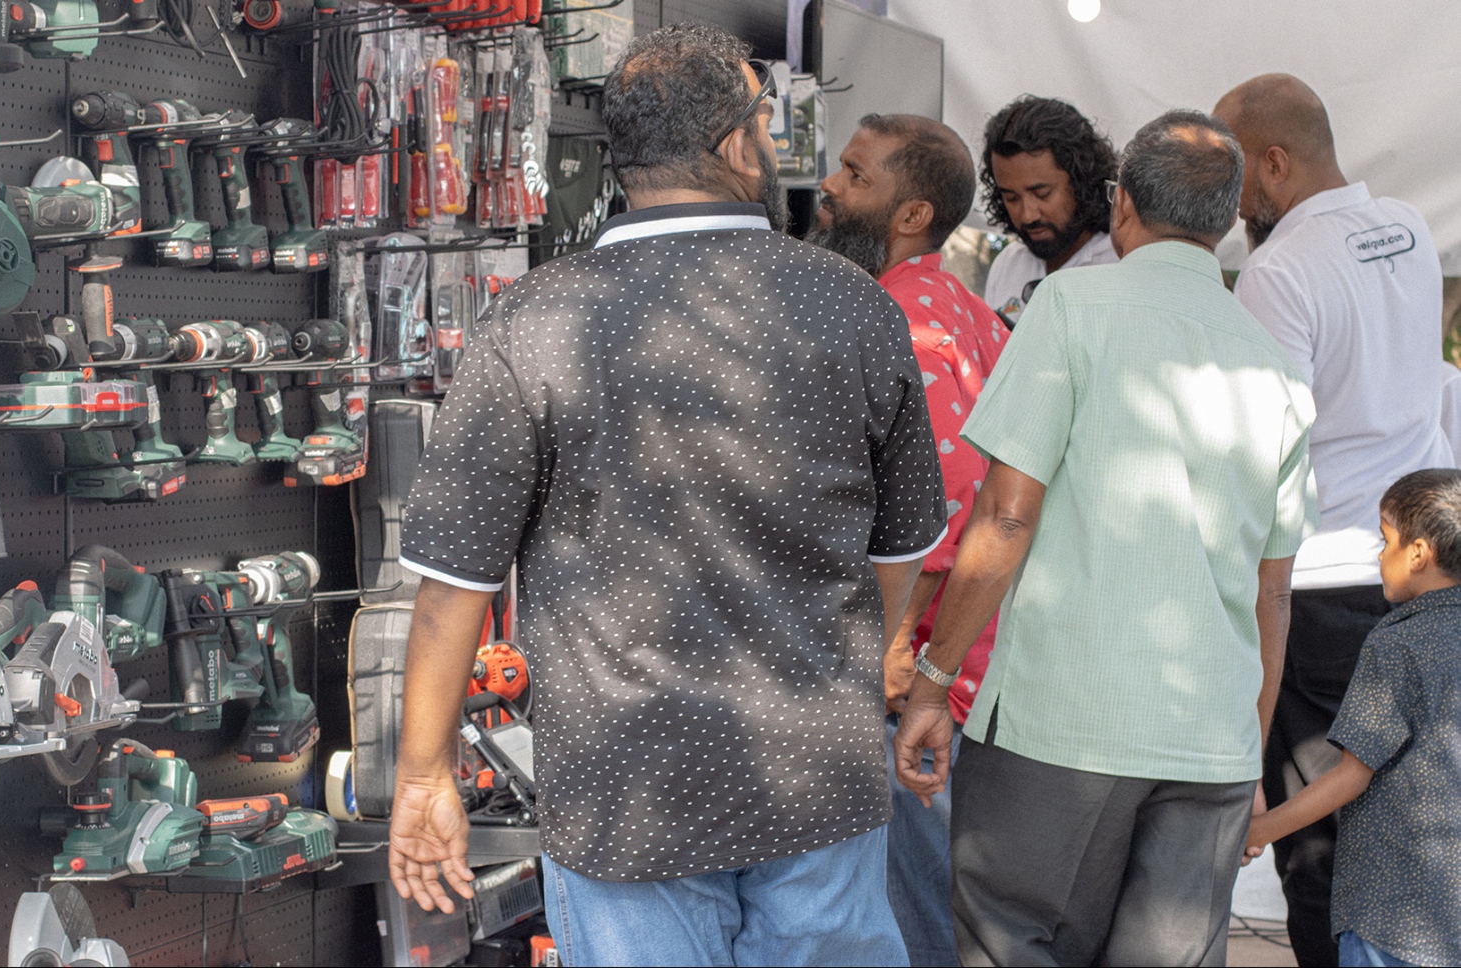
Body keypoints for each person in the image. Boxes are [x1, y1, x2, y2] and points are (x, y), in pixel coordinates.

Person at [387, 23, 948, 968]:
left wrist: (421, 778)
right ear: (737, 146)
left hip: (625, 784)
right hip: (814, 771)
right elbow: (899, 554)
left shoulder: (532, 317)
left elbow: (453, 587)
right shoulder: (857, 305)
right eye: (765, 123)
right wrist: (830, 670)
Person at [894, 110, 1319, 967]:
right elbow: (1272, 591)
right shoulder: (1275, 364)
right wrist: (1247, 747)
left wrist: (933, 681)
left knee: (1011, 940)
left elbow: (1005, 516)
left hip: (1061, 726)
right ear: (1228, 221)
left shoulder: (1069, 307)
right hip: (1211, 741)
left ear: (1121, 204)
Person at [1212, 73, 1455, 967]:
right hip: (1422, 567)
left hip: (1320, 581)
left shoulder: (1279, 270)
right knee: (1417, 828)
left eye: (1236, 171)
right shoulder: (1408, 227)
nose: (1229, 198)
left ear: (1275, 163)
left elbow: (1260, 446)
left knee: (1322, 847)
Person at [806, 112, 1008, 968]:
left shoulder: (903, 315)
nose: (829, 186)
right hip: (960, 668)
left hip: (917, 679)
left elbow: (950, 501)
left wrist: (898, 652)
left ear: (913, 213)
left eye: (855, 174)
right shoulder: (966, 309)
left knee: (913, 922)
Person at [1245, 468, 1461, 968]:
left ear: (1418, 554)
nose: (1379, 557)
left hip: (1392, 918)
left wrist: (1261, 829)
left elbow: (1352, 775)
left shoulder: (1396, 643)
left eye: (1384, 541)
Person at [979, 95, 1119, 327]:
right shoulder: (1007, 264)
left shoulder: (1120, 264)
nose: (1028, 215)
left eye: (1042, 194)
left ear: (1082, 181)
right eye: (1011, 198)